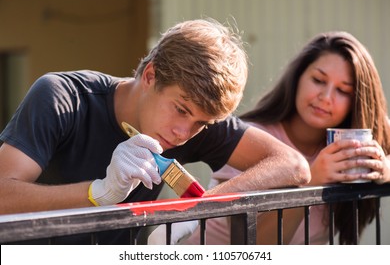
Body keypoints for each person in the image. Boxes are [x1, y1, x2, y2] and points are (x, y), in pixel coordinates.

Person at [0, 18, 310, 244]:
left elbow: (293, 165)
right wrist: (99, 192)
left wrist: (197, 208)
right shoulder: (63, 96)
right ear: (150, 75)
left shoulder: (195, 120)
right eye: (181, 110)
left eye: (201, 123)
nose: (182, 133)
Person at [178, 31, 390, 245]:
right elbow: (252, 247)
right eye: (318, 80)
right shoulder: (252, 139)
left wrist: (384, 169)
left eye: (343, 91)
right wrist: (311, 182)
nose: (325, 98)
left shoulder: (350, 145)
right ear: (298, 77)